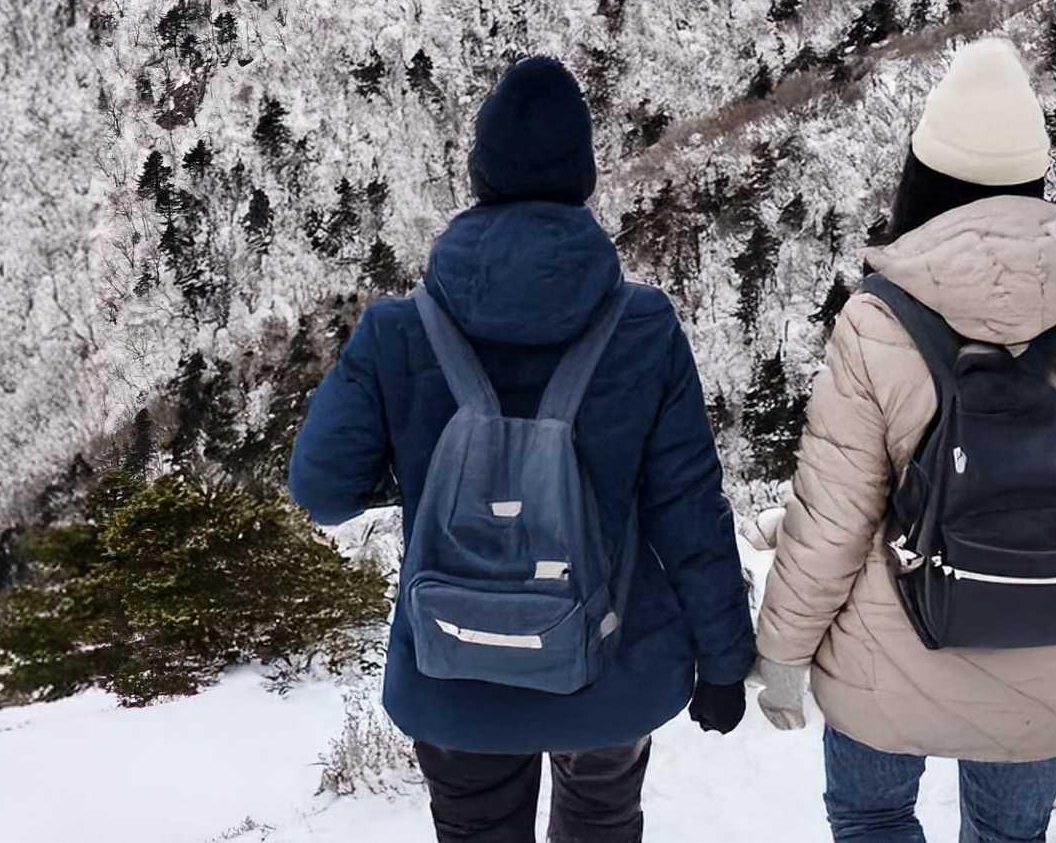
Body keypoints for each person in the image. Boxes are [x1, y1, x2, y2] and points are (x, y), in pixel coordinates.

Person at [290, 54, 755, 843]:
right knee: (601, 820)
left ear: (480, 175)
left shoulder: (397, 331)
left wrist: (421, 469)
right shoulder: (641, 329)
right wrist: (722, 658)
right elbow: (688, 512)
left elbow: (322, 489)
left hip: (453, 667)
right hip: (609, 667)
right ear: (582, 179)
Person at [751, 37, 1056, 843]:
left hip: (885, 658)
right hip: (1045, 653)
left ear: (922, 181)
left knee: (872, 819)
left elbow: (832, 519)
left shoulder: (877, 321)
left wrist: (781, 651)